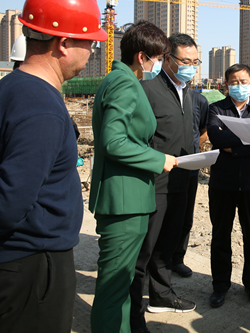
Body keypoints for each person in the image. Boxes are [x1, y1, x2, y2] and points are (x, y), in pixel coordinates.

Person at [0, 0, 107, 333]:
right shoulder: (40, 106)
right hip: (29, 267)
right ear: (63, 44)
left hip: (11, 264)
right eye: (88, 42)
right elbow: (9, 203)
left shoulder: (9, 88)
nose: (92, 52)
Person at [89, 21, 177, 333]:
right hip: (124, 200)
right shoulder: (125, 83)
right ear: (142, 57)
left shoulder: (120, 80)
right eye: (158, 57)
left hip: (129, 197)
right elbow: (114, 142)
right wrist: (159, 159)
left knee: (122, 284)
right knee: (114, 289)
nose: (159, 64)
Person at [130, 33, 200, 332]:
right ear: (167, 59)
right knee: (143, 252)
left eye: (196, 62)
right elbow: (135, 140)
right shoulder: (147, 90)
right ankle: (133, 315)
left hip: (182, 181)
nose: (191, 67)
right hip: (155, 184)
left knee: (167, 247)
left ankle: (160, 295)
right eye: (185, 61)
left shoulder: (189, 93)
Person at [207, 63, 250, 308]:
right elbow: (216, 137)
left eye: (243, 81)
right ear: (226, 85)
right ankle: (220, 285)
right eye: (234, 82)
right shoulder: (216, 108)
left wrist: (232, 144)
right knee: (220, 235)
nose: (239, 86)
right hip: (222, 182)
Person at [170, 88, 210, 278]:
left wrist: (192, 148)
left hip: (189, 168)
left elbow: (204, 131)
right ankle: (156, 258)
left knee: (185, 216)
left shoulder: (199, 100)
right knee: (160, 215)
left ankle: (177, 258)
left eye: (193, 63)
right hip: (162, 167)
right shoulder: (155, 93)